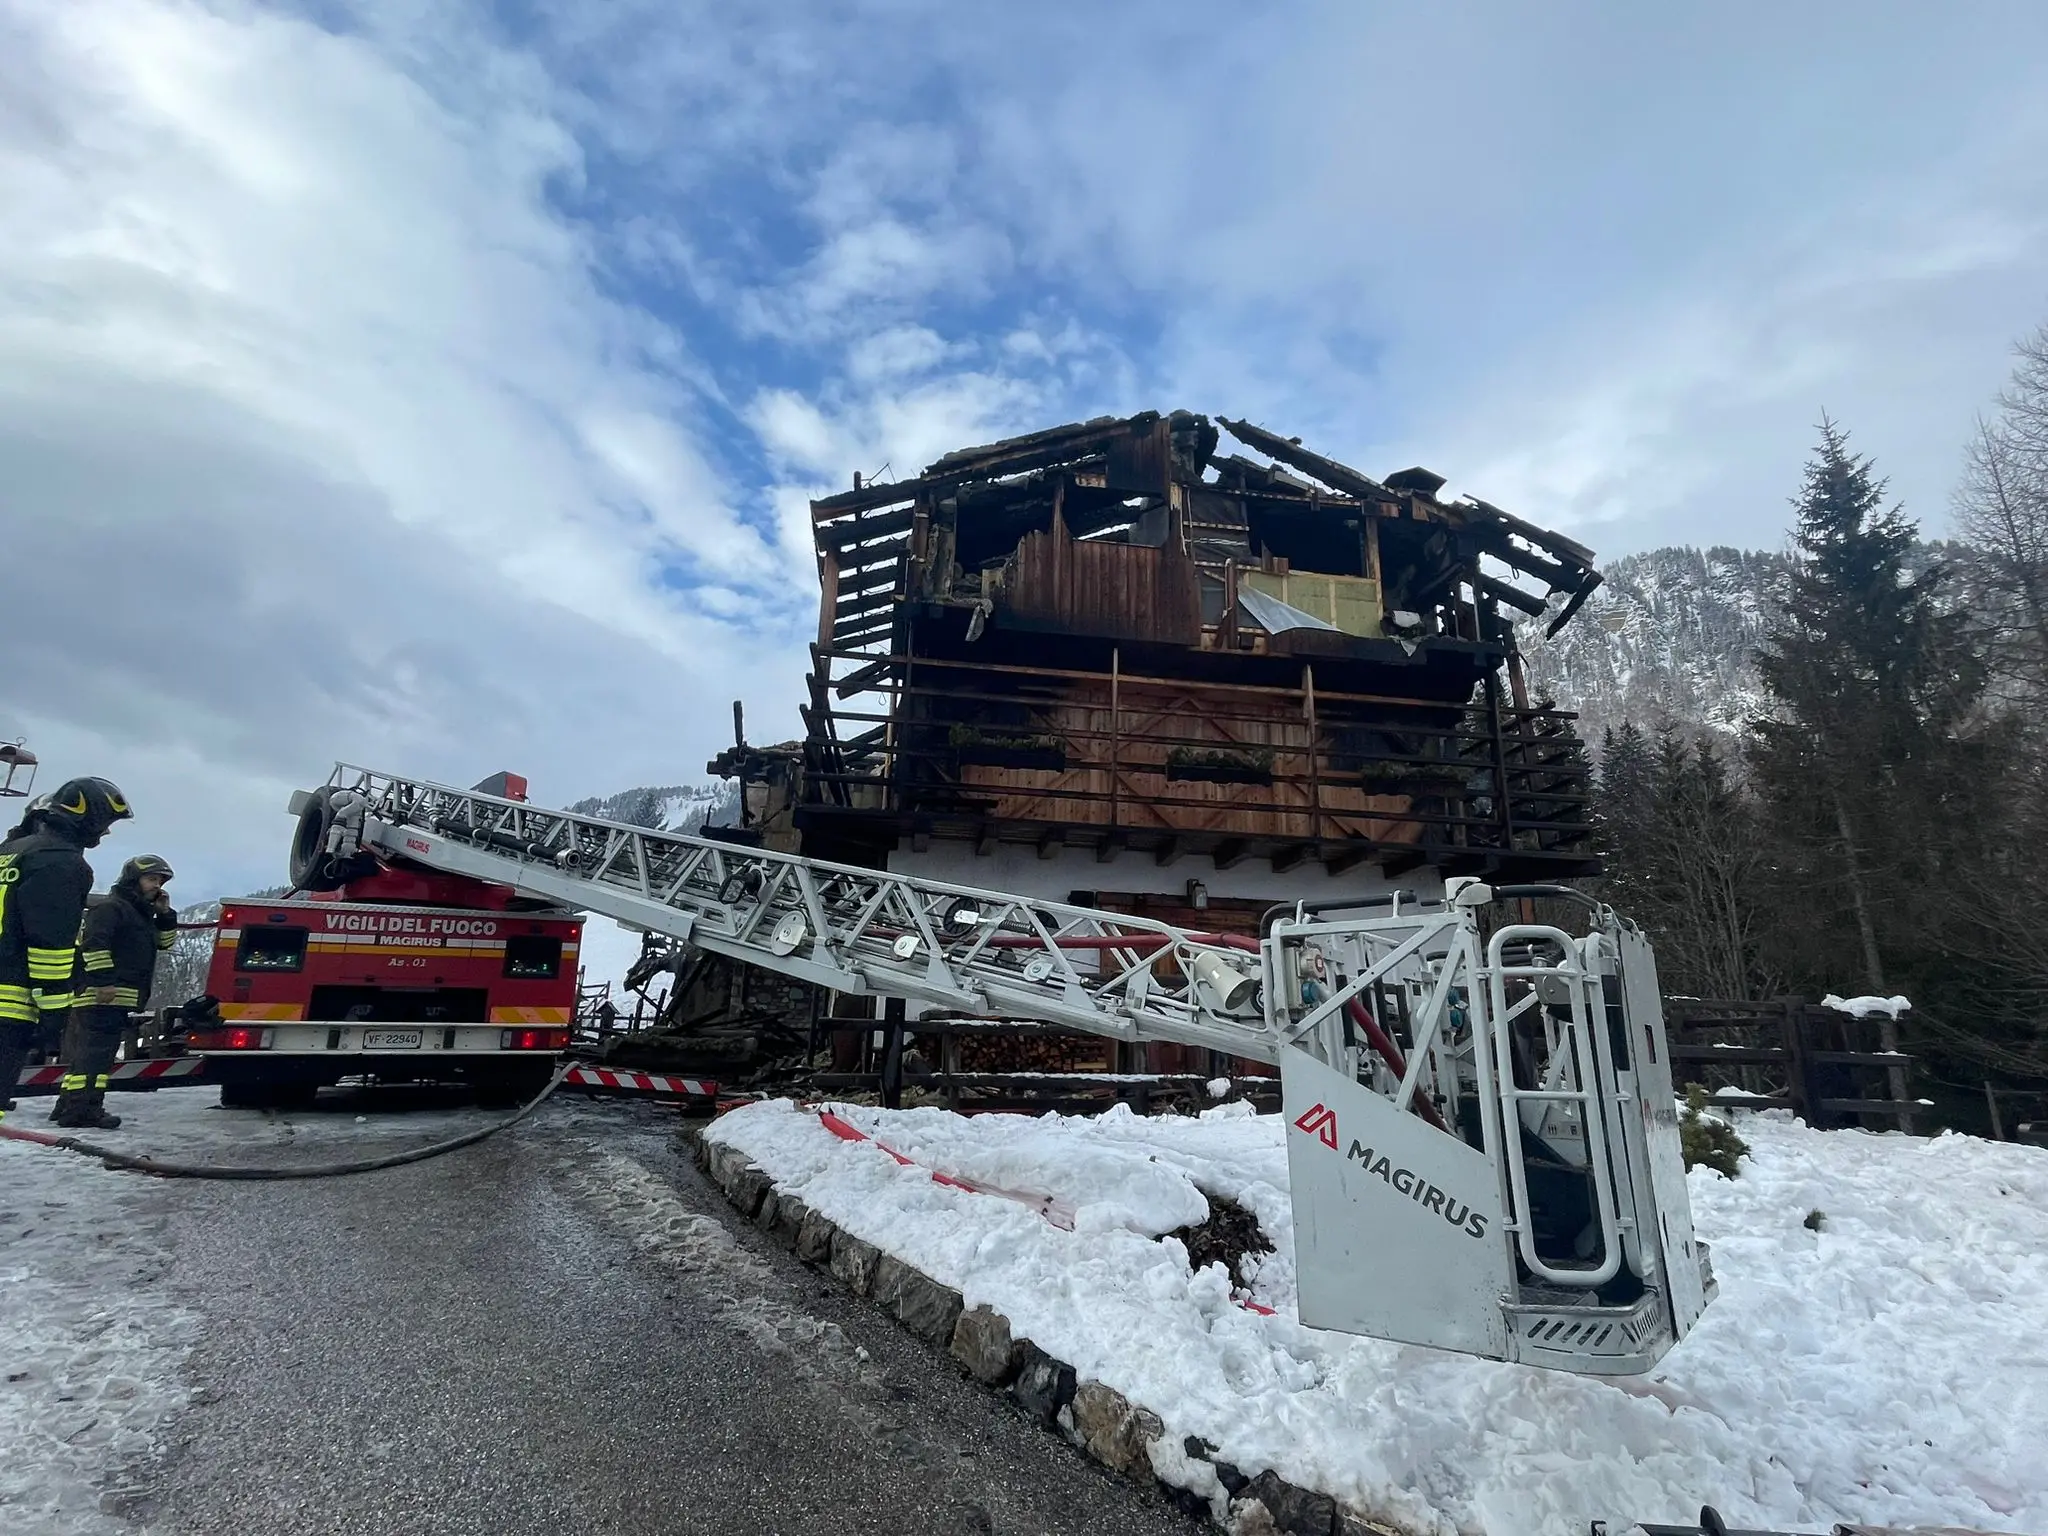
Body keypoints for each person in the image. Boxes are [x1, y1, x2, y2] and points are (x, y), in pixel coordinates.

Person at [0, 778, 133, 1118]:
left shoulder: (10, 851)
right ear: (84, 817)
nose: (104, 834)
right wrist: (54, 1014)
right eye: (103, 823)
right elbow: (49, 947)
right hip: (9, 1005)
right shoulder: (63, 864)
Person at [51, 853, 176, 1130]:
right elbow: (94, 946)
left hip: (116, 996)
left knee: (88, 1056)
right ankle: (83, 1111)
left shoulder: (140, 914)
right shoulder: (111, 908)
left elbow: (164, 943)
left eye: (160, 881)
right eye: (151, 879)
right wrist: (104, 982)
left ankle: (67, 1106)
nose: (157, 885)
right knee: (96, 1058)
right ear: (134, 879)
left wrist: (165, 915)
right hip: (103, 995)